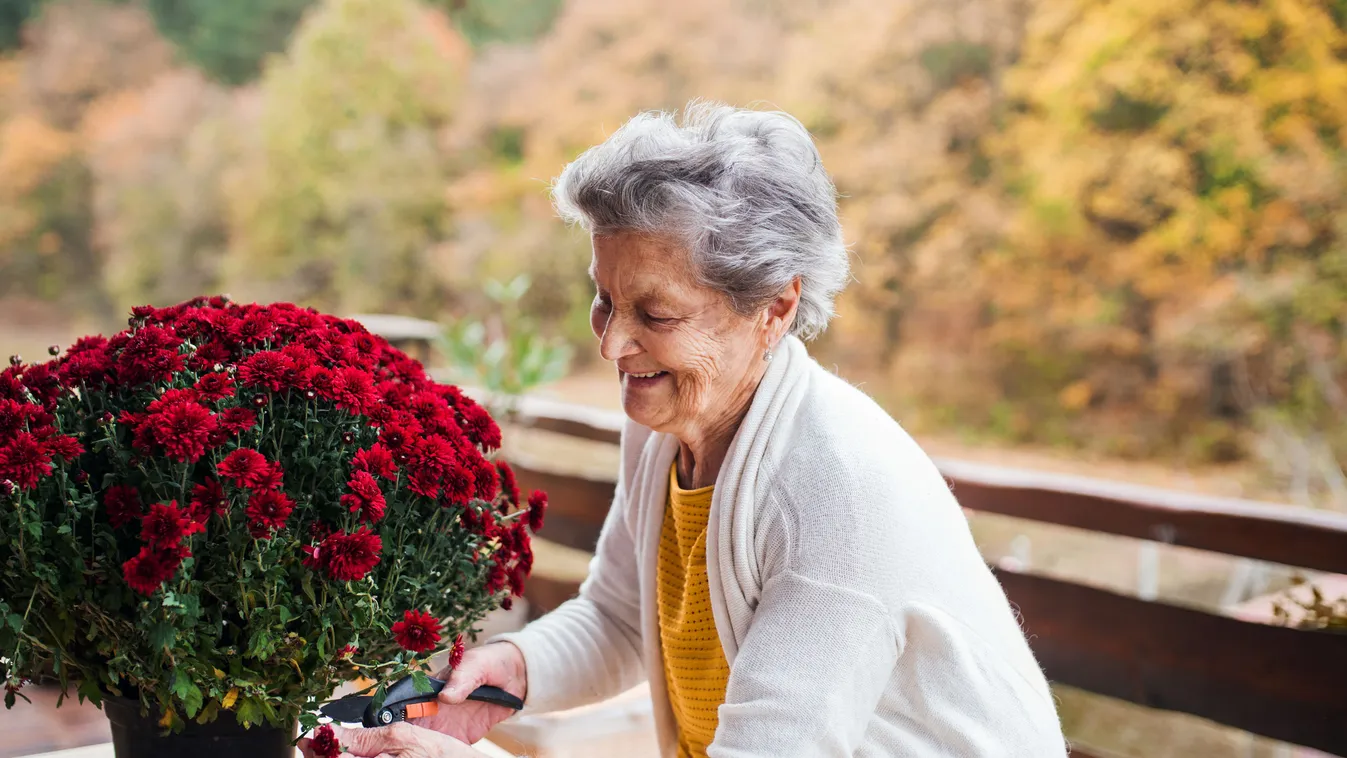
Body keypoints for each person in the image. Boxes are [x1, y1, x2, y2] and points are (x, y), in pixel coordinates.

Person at [304, 102, 1067, 758]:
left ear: (774, 307)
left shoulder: (839, 494)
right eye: (603, 300)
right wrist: (511, 668)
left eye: (655, 314)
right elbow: (620, 618)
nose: (611, 344)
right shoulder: (668, 420)